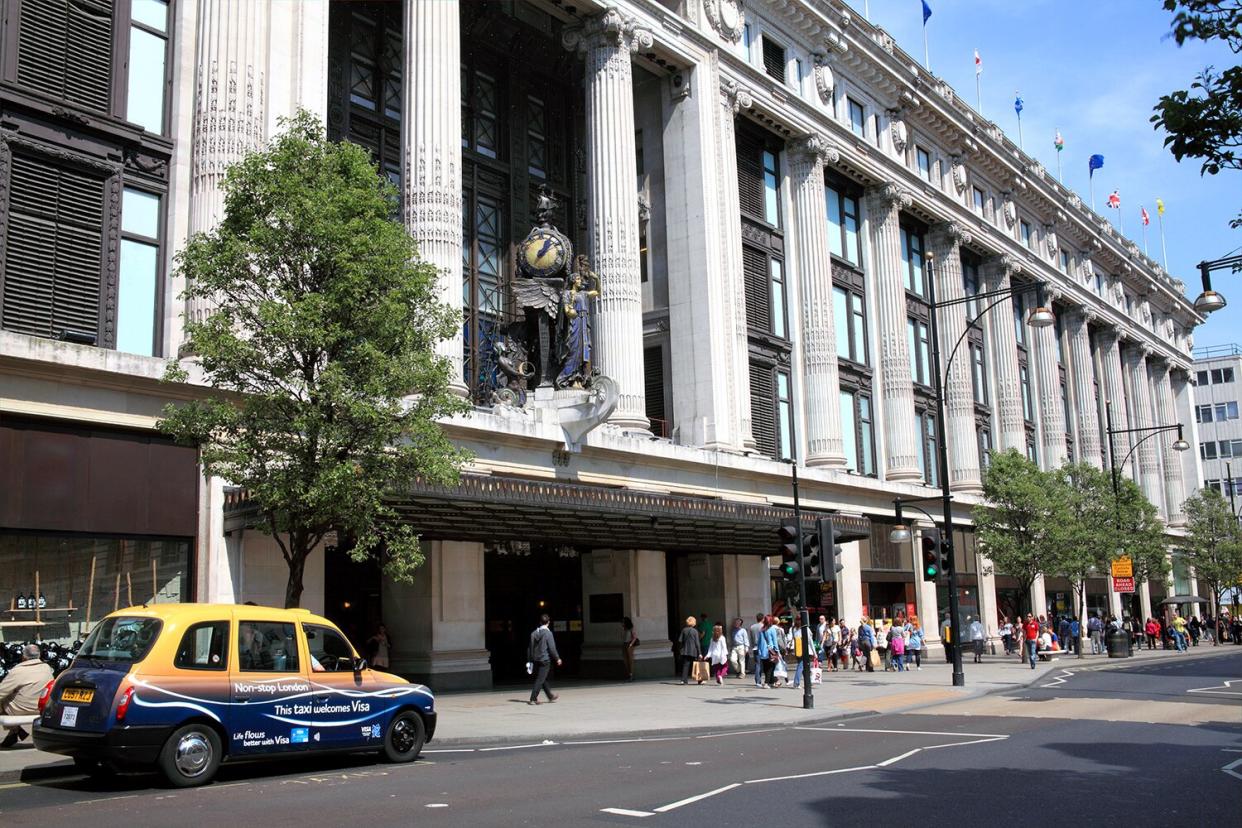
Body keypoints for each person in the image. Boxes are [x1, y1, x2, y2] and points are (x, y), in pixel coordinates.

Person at [1, 644, 53, 748]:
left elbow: (1, 691)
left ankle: (14, 730)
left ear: (23, 657)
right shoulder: (47, 668)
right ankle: (14, 732)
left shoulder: (18, 671)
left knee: (3, 699)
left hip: (21, 709)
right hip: (42, 708)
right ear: (39, 655)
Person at [527, 614, 562, 705]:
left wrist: (530, 660)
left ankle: (550, 696)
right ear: (548, 622)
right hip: (544, 660)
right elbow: (552, 648)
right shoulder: (548, 633)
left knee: (542, 678)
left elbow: (530, 648)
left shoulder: (534, 633)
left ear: (540, 622)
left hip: (536, 659)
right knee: (540, 679)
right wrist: (557, 658)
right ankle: (533, 698)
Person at [757, 616, 780, 688]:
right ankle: (766, 683)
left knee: (766, 667)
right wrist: (777, 651)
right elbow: (775, 641)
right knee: (771, 667)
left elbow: (759, 641)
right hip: (770, 651)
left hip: (763, 651)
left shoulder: (762, 629)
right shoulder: (772, 629)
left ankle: (772, 682)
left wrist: (759, 650)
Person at [679, 616, 703, 685]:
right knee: (696, 665)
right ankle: (699, 679)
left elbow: (680, 640)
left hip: (685, 650)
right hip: (693, 651)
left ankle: (684, 680)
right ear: (694, 623)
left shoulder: (684, 630)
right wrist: (700, 653)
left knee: (686, 665)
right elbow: (697, 643)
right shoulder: (695, 631)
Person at [749, 613, 765, 687]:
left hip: (755, 647)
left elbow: (751, 638)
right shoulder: (763, 626)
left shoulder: (752, 627)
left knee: (757, 664)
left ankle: (757, 681)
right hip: (763, 647)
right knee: (763, 664)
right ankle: (764, 680)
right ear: (763, 619)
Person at [621, 617, 637, 681]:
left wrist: (630, 644)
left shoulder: (631, 629)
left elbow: (635, 637)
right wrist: (622, 629)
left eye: (623, 622)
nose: (622, 623)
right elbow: (621, 637)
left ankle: (631, 675)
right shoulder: (624, 629)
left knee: (630, 660)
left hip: (629, 644)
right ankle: (628, 675)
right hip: (624, 644)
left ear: (626, 622)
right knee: (625, 660)